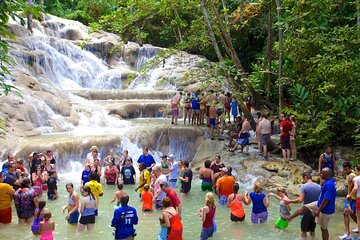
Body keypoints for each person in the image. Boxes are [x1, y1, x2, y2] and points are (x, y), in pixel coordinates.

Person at [283, 168, 336, 240]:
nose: (320, 174)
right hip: (318, 205)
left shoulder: (328, 184)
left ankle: (289, 218)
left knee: (323, 228)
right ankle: (289, 218)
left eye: (322, 173)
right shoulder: (322, 184)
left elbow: (326, 198)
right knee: (304, 210)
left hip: (325, 209)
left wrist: (318, 210)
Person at [283, 172, 321, 239]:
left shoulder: (304, 186)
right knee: (312, 231)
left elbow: (300, 200)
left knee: (303, 231)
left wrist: (290, 201)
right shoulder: (319, 187)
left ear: (305, 177)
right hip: (315, 212)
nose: (303, 181)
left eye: (303, 179)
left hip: (306, 211)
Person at [339, 162, 357, 240]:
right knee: (352, 214)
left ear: (349, 168)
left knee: (345, 213)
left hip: (352, 198)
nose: (344, 171)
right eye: (344, 169)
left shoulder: (351, 177)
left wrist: (348, 202)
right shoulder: (352, 173)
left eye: (346, 169)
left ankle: (347, 234)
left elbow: (349, 191)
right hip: (355, 197)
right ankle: (359, 226)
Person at [348, 165, 360, 238]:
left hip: (359, 199)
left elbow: (355, 188)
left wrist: (350, 195)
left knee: (358, 218)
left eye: (355, 170)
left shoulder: (356, 178)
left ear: (358, 171)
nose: (355, 172)